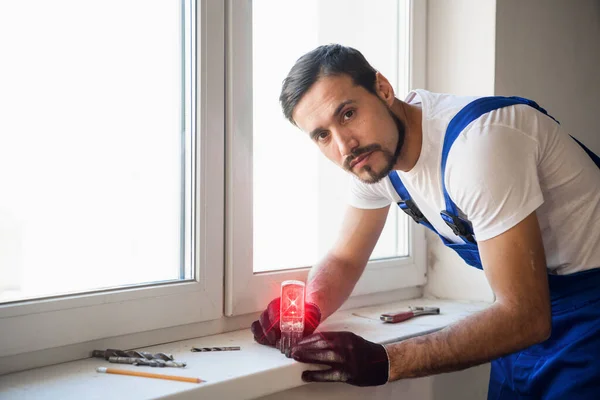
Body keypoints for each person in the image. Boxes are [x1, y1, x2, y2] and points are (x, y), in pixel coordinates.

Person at [250, 44, 600, 398]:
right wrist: (308, 308)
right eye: (322, 135)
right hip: (526, 317)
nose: (344, 146)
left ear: (383, 89)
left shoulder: (477, 145)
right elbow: (344, 258)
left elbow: (525, 316)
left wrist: (385, 360)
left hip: (588, 318)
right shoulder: (376, 162)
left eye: (348, 114)